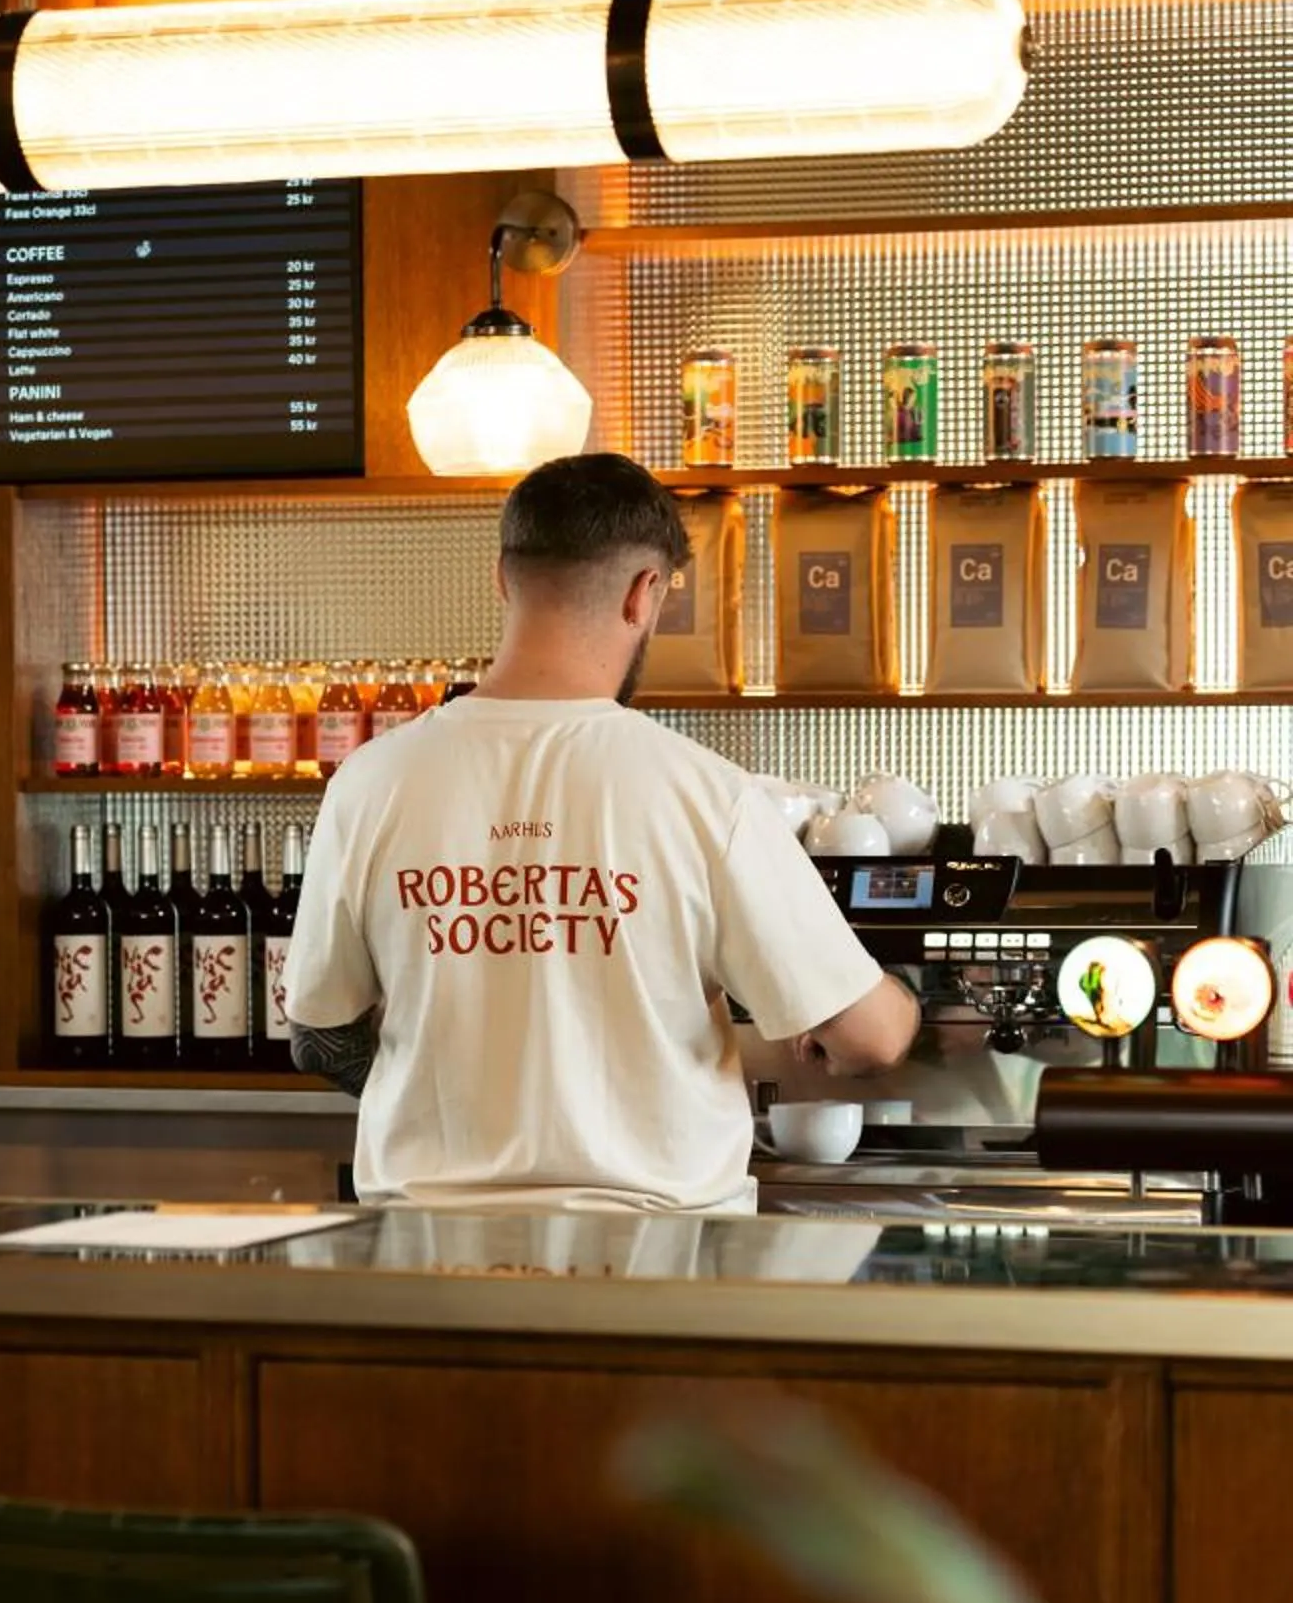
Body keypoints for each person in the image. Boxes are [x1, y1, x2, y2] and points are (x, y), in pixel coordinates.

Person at [282, 450, 918, 1210]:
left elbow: (320, 1037)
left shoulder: (371, 782)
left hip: (427, 1264)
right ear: (646, 593)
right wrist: (901, 997)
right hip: (655, 1270)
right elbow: (870, 1039)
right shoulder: (705, 794)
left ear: (502, 578)